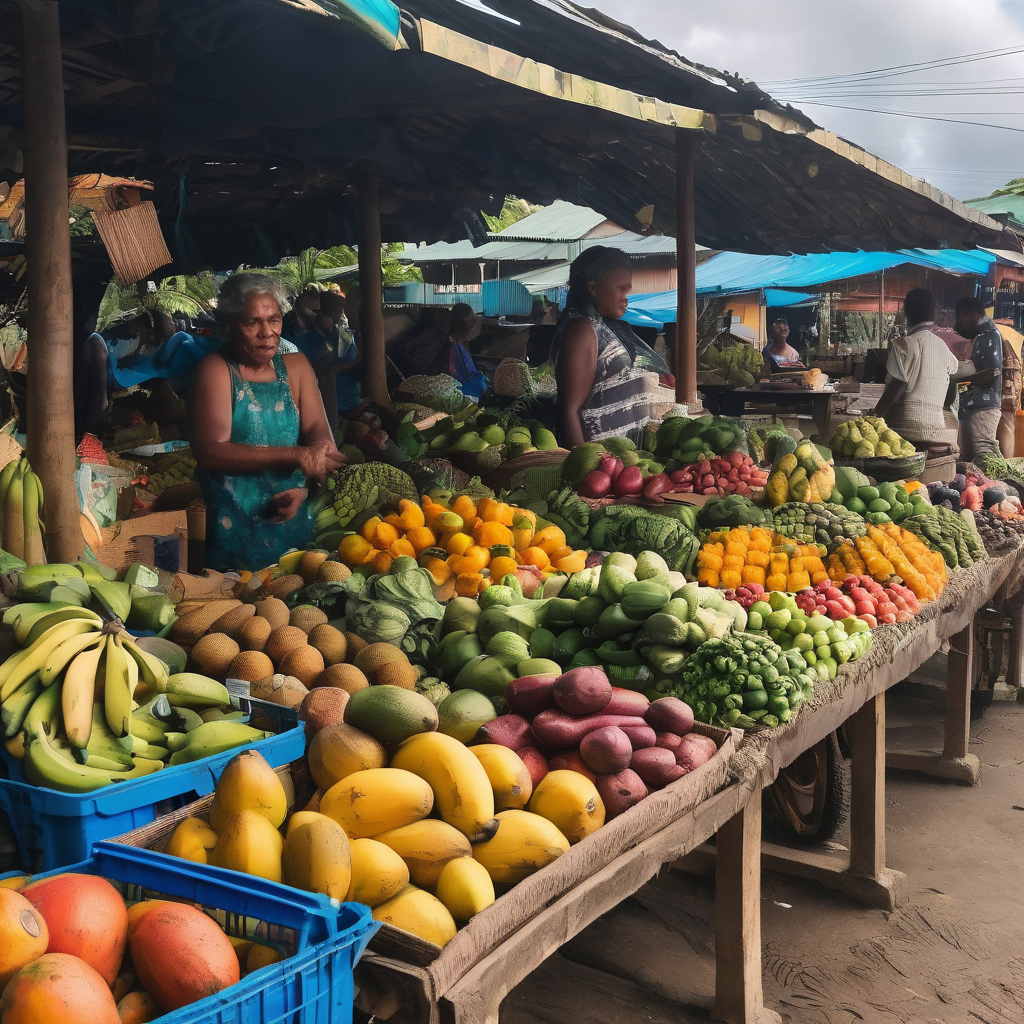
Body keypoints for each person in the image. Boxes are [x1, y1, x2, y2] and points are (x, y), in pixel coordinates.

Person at [190, 272, 345, 571]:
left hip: (294, 517)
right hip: (233, 523)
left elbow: (320, 439)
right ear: (229, 325)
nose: (267, 332)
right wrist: (296, 455)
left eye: (274, 320)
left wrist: (304, 490)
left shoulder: (296, 367)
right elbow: (210, 450)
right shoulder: (215, 370)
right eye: (252, 322)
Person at [553, 246, 668, 446]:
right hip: (601, 463)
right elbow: (569, 409)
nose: (626, 297)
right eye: (621, 289)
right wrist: (585, 466)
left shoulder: (601, 324)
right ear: (593, 289)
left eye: (628, 290)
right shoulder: (582, 329)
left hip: (622, 462)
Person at [873, 288, 958, 446]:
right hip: (937, 429)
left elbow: (897, 384)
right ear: (934, 313)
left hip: (904, 429)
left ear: (906, 312)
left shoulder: (902, 345)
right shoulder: (943, 347)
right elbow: (951, 386)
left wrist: (875, 415)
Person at [953, 296, 1003, 462]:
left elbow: (992, 372)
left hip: (983, 409)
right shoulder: (981, 334)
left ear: (969, 314)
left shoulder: (990, 334)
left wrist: (959, 386)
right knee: (970, 464)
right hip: (973, 408)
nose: (957, 325)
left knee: (985, 461)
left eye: (958, 318)